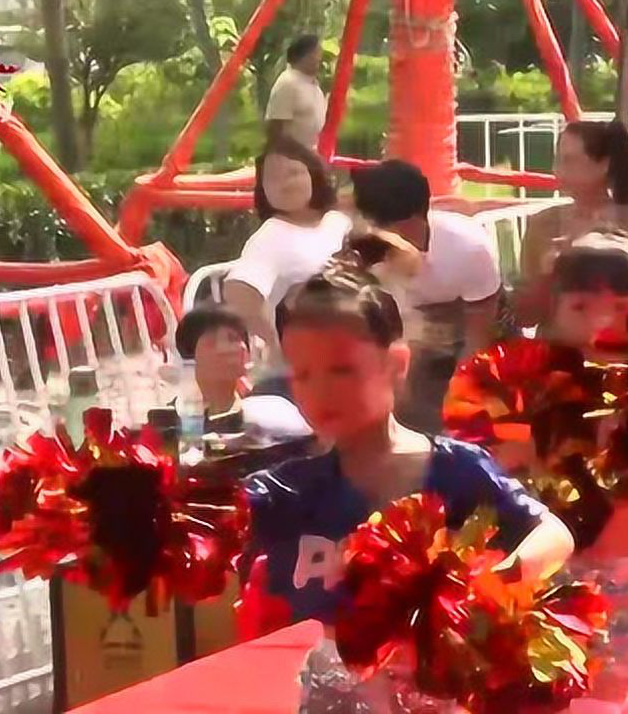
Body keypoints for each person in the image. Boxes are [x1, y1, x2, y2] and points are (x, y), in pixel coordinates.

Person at [242, 263, 574, 711]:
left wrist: (492, 585)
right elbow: (219, 522)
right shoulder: (288, 490)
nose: (320, 391)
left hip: (433, 691)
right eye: (302, 374)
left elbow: (554, 535)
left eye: (341, 370)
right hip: (335, 694)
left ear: (395, 363)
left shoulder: (457, 469)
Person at [544, 233, 628, 712]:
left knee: (607, 696)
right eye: (581, 307)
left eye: (622, 308)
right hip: (557, 570)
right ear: (553, 309)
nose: (601, 323)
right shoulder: (526, 382)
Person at [351, 160, 502, 434]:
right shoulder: (361, 250)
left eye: (382, 225)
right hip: (405, 334)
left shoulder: (469, 248)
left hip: (468, 322)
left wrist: (457, 398)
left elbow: (477, 336)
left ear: (412, 221)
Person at [224, 137, 352, 396]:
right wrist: (275, 342)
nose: (285, 183)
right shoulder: (270, 235)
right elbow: (239, 292)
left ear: (313, 175)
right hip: (304, 365)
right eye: (272, 178)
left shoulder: (338, 222)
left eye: (293, 173)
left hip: (352, 346)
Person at [516, 121, 628, 326]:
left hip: (621, 340)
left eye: (569, 161)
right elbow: (523, 318)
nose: (557, 171)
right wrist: (547, 276)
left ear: (603, 165)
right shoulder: (543, 225)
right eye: (558, 161)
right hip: (558, 345)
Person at [175, 305, 311, 439]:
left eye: (233, 338)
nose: (224, 349)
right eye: (211, 342)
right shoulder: (176, 423)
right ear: (189, 358)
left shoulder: (276, 411)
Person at [265, 34, 328, 150]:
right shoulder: (287, 84)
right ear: (304, 56)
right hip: (287, 158)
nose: (320, 58)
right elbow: (276, 134)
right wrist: (308, 156)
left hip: (309, 155)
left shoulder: (314, 86)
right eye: (316, 53)